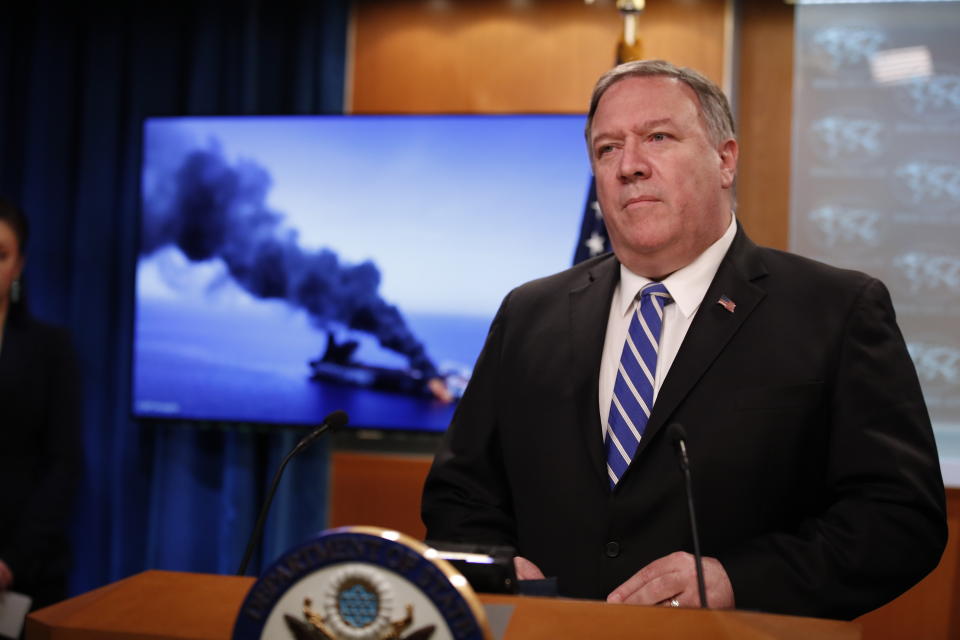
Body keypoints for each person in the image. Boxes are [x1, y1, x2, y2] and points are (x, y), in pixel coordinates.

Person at [420, 60, 947, 619]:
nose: (629, 167)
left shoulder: (836, 311)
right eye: (606, 149)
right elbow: (459, 495)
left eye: (658, 137)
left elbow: (899, 518)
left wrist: (736, 581)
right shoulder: (529, 313)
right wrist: (495, 562)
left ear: (725, 159)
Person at [0, 197, 83, 612]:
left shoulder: (51, 349)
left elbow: (64, 464)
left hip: (27, 572)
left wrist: (10, 562)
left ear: (19, 266)